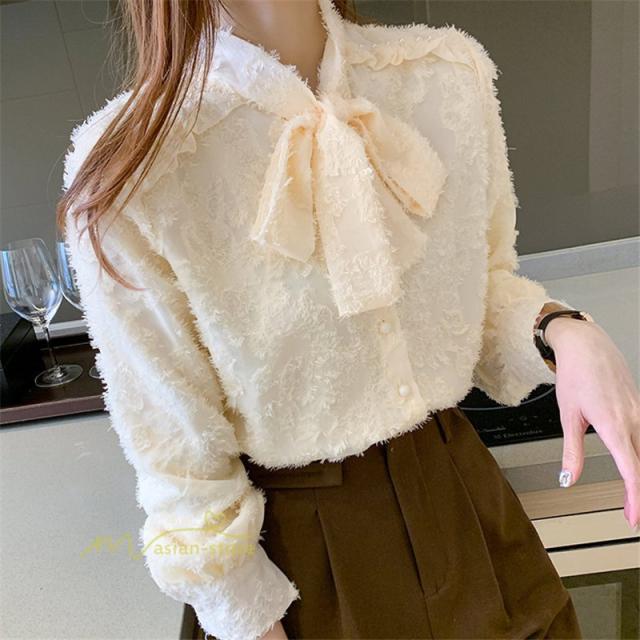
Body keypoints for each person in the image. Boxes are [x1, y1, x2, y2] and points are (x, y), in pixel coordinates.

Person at [57, 1, 640, 639]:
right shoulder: (134, 167)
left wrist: (563, 329)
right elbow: (180, 464)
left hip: (464, 499)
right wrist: (248, 619)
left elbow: (480, 294)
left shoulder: (446, 74)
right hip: (298, 561)